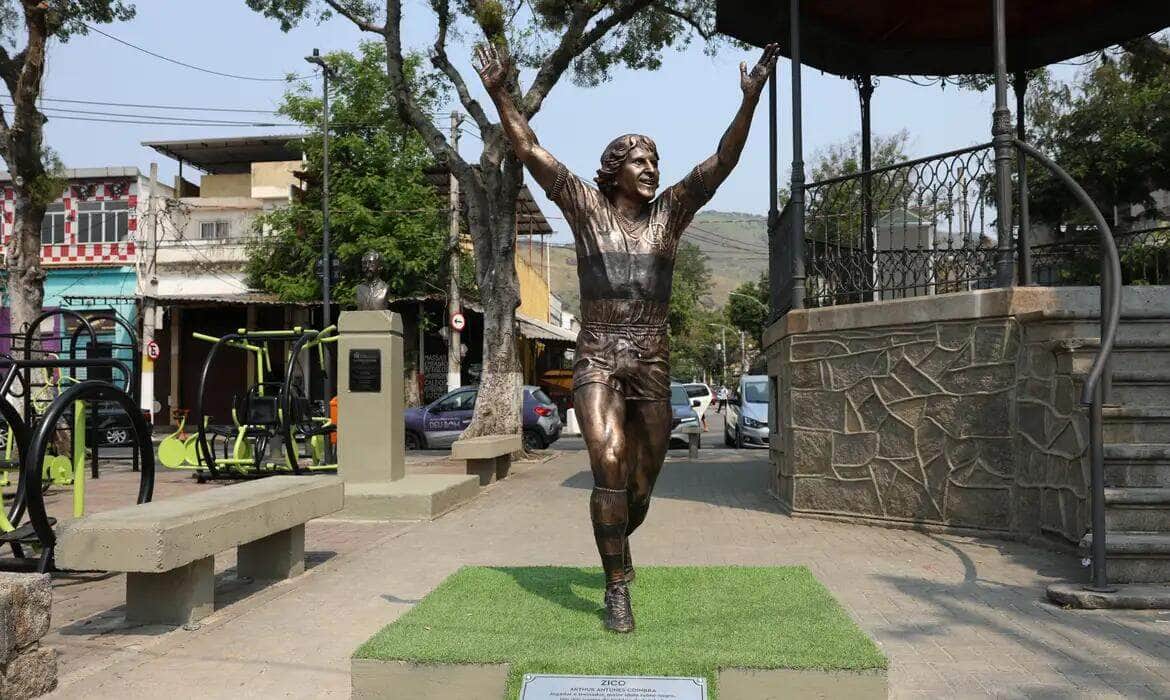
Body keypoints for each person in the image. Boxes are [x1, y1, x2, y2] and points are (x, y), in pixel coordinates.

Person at [475, 42, 780, 633]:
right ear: (614, 170)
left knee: (640, 487)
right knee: (608, 466)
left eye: (656, 161)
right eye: (640, 160)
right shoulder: (585, 207)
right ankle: (617, 587)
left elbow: (721, 161)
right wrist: (500, 94)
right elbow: (530, 149)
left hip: (653, 362)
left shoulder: (671, 215)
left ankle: (617, 538)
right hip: (596, 356)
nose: (652, 170)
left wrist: (750, 101)